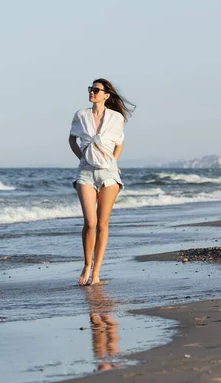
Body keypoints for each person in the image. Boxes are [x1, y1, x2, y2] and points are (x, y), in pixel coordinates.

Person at [69, 78, 135, 286]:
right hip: (86, 173)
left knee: (103, 224)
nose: (92, 92)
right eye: (91, 89)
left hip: (108, 173)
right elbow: (72, 139)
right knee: (90, 223)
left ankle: (96, 273)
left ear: (106, 95)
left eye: (97, 90)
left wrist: (114, 162)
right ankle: (87, 265)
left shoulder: (116, 118)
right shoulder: (81, 115)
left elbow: (120, 142)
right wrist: (81, 157)